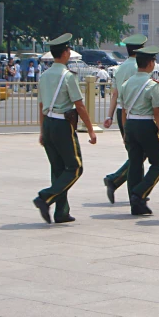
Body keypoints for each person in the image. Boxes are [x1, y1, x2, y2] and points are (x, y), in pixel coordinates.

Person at [33, 34, 97, 224]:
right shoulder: (67, 76)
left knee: (58, 169)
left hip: (49, 123)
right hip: (63, 124)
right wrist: (91, 129)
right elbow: (80, 105)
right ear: (65, 52)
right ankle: (45, 197)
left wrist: (42, 132)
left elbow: (41, 105)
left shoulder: (44, 76)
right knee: (75, 167)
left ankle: (62, 212)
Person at [119, 46, 159, 216]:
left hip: (131, 125)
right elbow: (158, 113)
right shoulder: (152, 86)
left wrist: (125, 130)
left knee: (135, 163)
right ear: (150, 63)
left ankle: (136, 205)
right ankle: (139, 193)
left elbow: (124, 109)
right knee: (158, 163)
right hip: (146, 125)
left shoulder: (126, 84)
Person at [103, 34, 147, 204]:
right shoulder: (140, 66)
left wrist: (109, 115)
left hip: (121, 111)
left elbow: (115, 93)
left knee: (135, 153)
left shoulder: (120, 68)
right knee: (139, 154)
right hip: (136, 113)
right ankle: (118, 181)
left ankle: (136, 189)